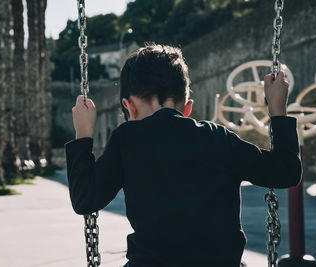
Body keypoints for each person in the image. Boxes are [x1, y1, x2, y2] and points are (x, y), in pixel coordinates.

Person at [65, 44, 302, 267]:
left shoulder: (127, 139)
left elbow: (85, 200)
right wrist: (277, 110)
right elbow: (286, 172)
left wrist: (83, 134)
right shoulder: (219, 138)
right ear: (187, 108)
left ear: (129, 107)